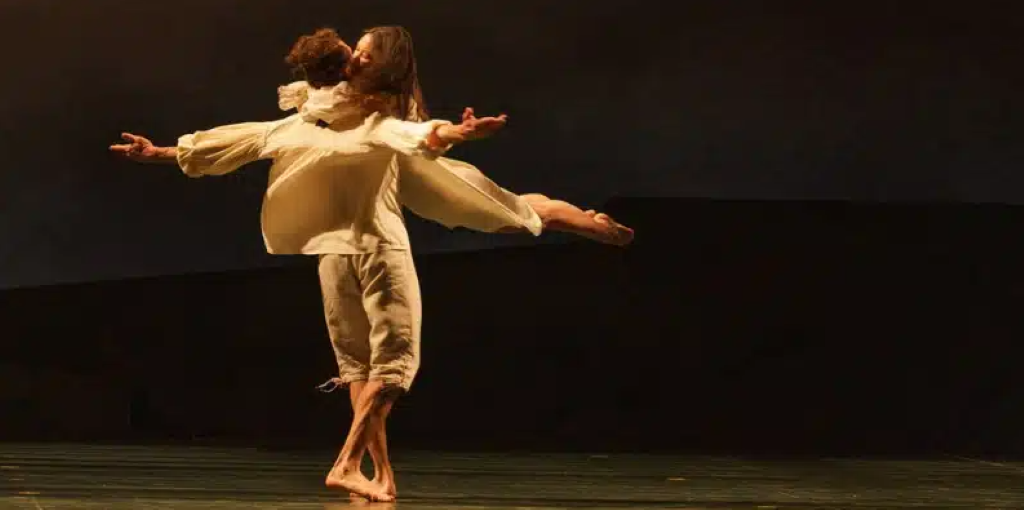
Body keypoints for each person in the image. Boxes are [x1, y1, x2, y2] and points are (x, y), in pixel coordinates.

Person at [110, 28, 519, 503]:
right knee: (392, 369)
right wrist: (456, 132)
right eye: (354, 54)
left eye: (362, 53)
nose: (357, 60)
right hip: (378, 249)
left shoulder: (306, 121)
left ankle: (381, 474)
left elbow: (238, 140)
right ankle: (346, 464)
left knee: (360, 371)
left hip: (331, 255)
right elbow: (417, 134)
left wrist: (159, 153)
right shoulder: (369, 120)